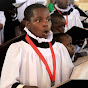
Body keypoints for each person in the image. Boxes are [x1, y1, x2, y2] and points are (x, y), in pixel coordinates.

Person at [0, 4, 74, 88]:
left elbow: (70, 76)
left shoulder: (60, 48)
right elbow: (7, 84)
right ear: (28, 24)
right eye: (39, 20)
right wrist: (23, 87)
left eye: (48, 20)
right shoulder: (18, 49)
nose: (45, 24)